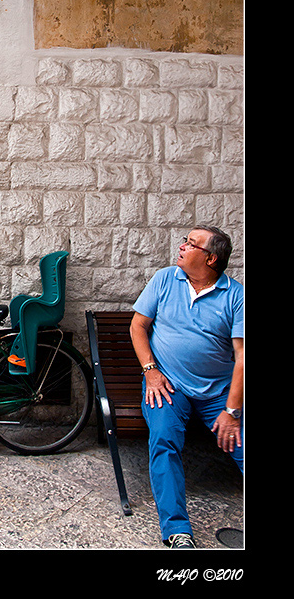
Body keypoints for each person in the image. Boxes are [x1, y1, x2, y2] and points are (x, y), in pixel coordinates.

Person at [129, 225, 243, 550]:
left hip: (218, 394)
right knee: (164, 439)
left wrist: (232, 413)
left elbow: (242, 356)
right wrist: (150, 371)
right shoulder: (166, 279)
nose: (182, 246)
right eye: (185, 240)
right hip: (167, 386)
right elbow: (138, 326)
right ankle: (177, 531)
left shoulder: (235, 296)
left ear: (211, 258)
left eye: (191, 244)